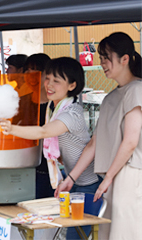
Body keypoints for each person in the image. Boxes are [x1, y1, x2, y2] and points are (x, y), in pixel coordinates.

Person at [0, 57, 102, 239]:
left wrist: (11, 128)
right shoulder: (54, 109)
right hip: (72, 181)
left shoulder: (72, 112)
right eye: (48, 78)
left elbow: (43, 132)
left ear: (72, 85)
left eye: (56, 80)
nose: (49, 84)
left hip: (88, 184)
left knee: (74, 236)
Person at [56, 32, 142, 240]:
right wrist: (71, 178)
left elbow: (130, 141)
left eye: (106, 57)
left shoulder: (137, 89)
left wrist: (109, 177)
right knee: (108, 232)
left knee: (124, 232)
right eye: (101, 57)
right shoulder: (111, 97)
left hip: (130, 173)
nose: (102, 63)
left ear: (125, 59)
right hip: (112, 176)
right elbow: (94, 144)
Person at [24, 53, 54, 199]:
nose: (32, 76)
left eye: (37, 71)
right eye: (28, 71)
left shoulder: (56, 105)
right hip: (25, 169)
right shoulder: (22, 103)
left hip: (52, 172)